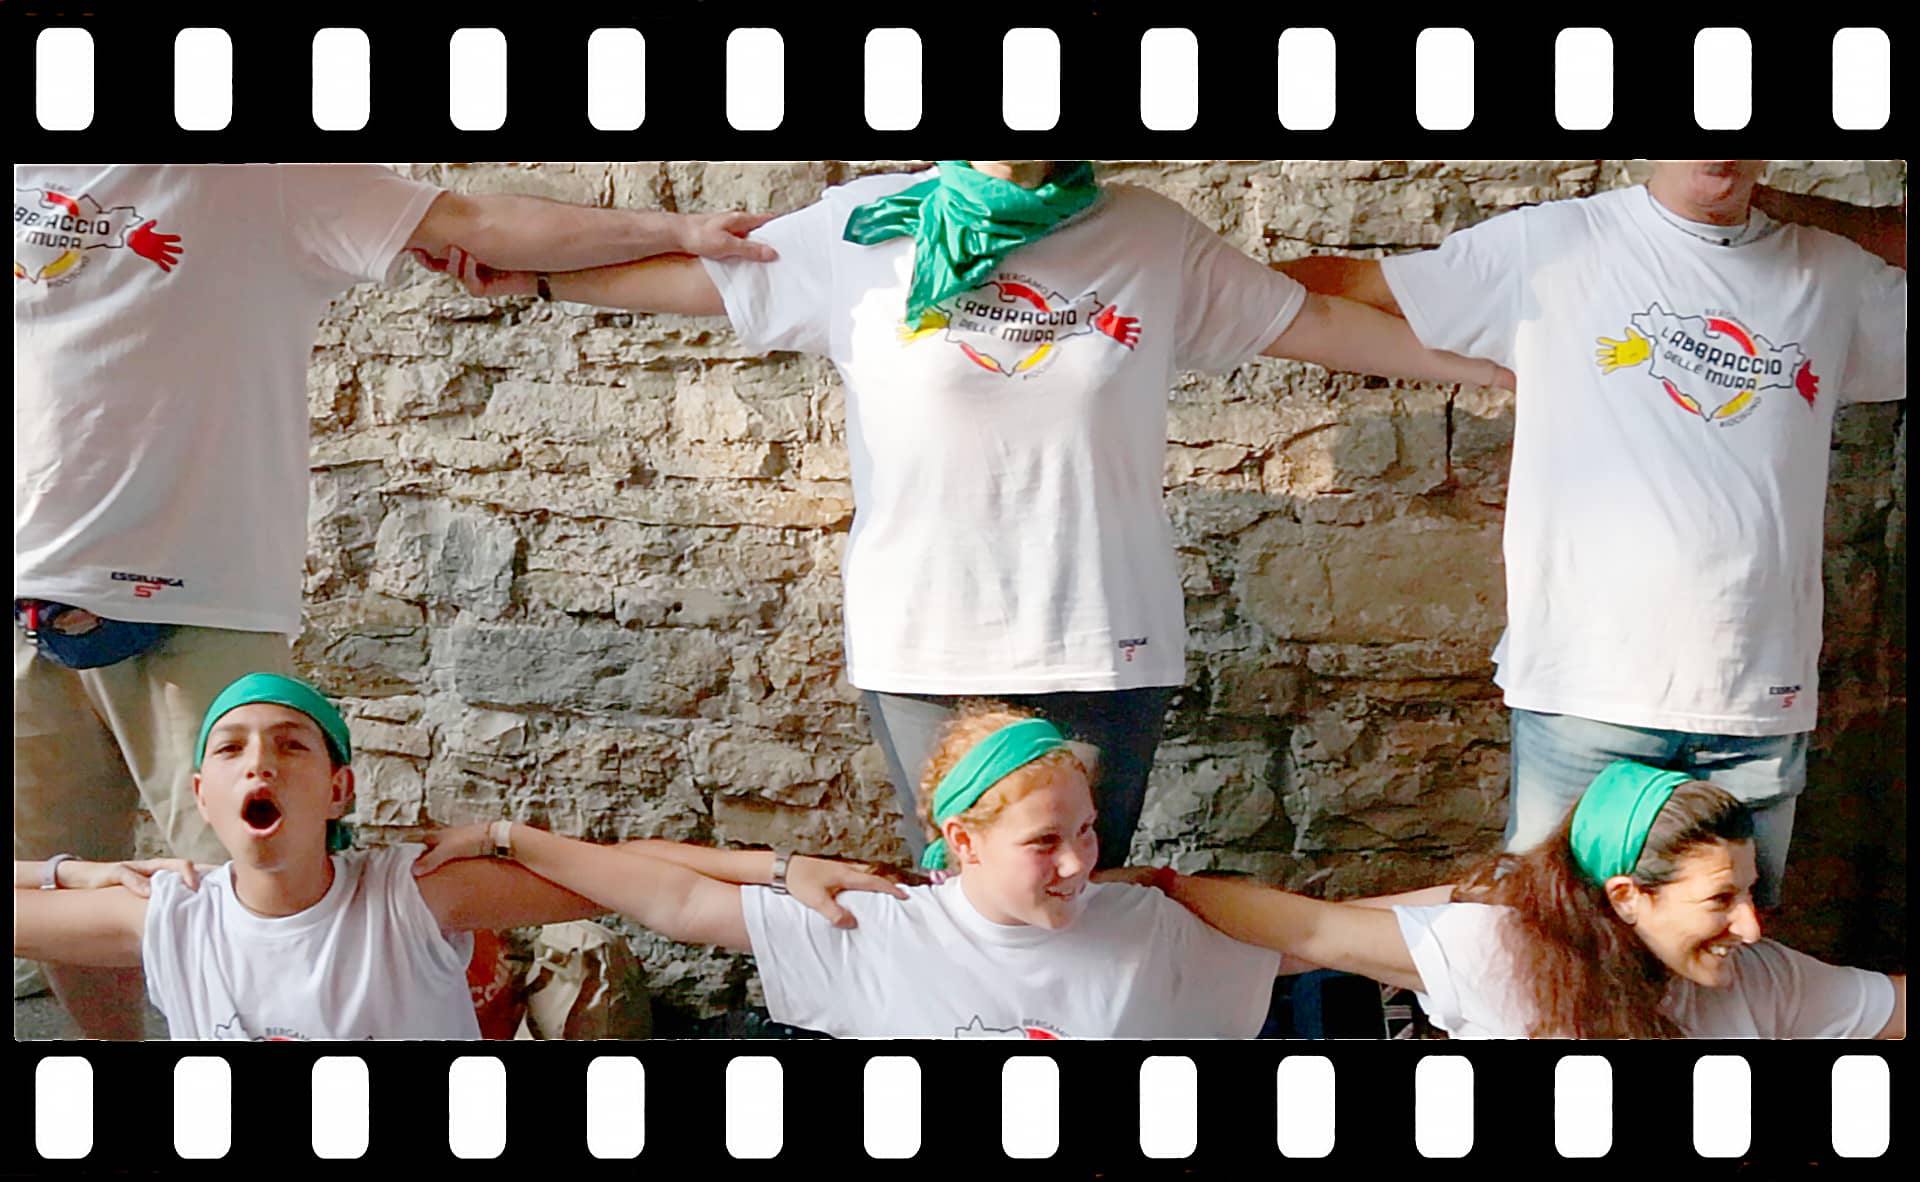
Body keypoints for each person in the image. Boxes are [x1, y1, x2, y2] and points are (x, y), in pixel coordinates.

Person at [431, 159, 1511, 871]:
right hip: (927, 644)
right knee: (960, 907)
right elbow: (701, 280)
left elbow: (1311, 321)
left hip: (1104, 642)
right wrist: (534, 280)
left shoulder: (1145, 234)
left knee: (1076, 891)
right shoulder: (865, 228)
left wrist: (1512, 372)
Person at [13, 163, 776, 1037]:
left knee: (258, 892)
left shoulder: (248, 178)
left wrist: (675, 232)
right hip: (23, 606)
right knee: (62, 889)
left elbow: (473, 222)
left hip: (198, 601)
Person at [1280, 160, 1907, 907]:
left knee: (1725, 952)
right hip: (1587, 693)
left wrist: (1808, 212)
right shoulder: (1553, 245)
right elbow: (1338, 290)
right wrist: (1189, 296)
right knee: (1556, 944)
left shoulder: (1832, 273)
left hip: (1757, 703)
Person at [12, 672, 898, 1040]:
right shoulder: (168, 917)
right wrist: (70, 872)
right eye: (233, 749)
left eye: (290, 745)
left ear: (339, 790)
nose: (261, 763)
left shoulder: (412, 893)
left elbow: (621, 870)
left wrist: (778, 867)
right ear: (203, 794)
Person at [414, 701, 1289, 1038]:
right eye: (1044, 842)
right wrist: (507, 834)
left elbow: (1318, 940)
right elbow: (669, 895)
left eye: (1089, 833)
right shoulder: (874, 923)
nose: (1078, 863)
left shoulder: (1142, 923)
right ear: (965, 840)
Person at [1133, 760, 1905, 1038]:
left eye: (1750, 893)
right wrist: (1161, 887)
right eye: (1721, 900)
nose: (1751, 925)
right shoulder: (1502, 951)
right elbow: (1311, 931)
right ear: (1626, 897)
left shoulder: (1761, 981)